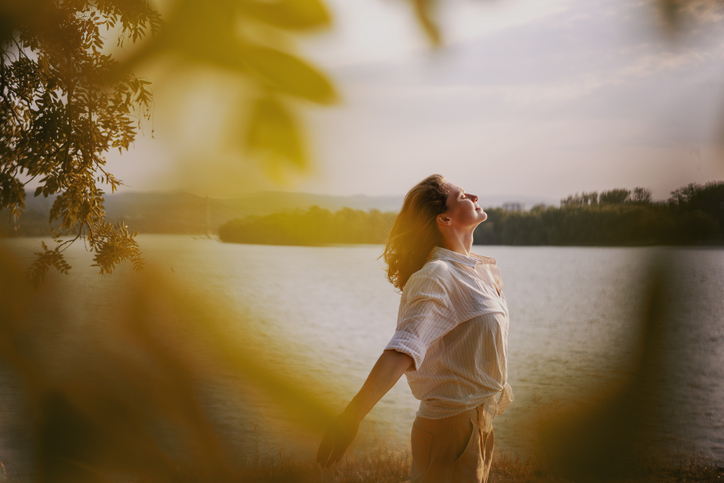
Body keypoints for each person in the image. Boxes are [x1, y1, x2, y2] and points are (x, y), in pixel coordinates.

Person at [316, 174, 513, 483]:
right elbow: (403, 348)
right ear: (444, 218)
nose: (474, 196)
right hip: (450, 430)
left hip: (479, 425)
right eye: (462, 195)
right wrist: (352, 416)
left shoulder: (478, 273)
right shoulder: (438, 274)